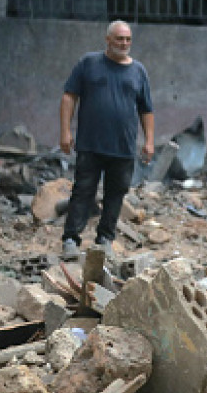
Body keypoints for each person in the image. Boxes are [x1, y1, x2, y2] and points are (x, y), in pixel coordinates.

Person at [59, 20, 154, 260]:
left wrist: (149, 141)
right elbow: (69, 98)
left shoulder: (138, 71)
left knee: (116, 194)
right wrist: (65, 132)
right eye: (119, 39)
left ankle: (105, 239)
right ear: (108, 40)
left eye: (128, 39)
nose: (124, 43)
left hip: (123, 146)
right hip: (90, 144)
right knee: (83, 191)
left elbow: (146, 110)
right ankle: (71, 238)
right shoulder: (88, 63)